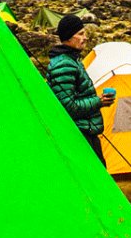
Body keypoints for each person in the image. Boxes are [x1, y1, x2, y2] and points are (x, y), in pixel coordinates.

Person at [47, 14, 116, 165]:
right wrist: (99, 101)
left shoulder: (72, 60)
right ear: (69, 37)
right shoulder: (63, 65)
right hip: (79, 134)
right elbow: (68, 107)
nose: (85, 37)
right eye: (80, 34)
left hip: (85, 131)